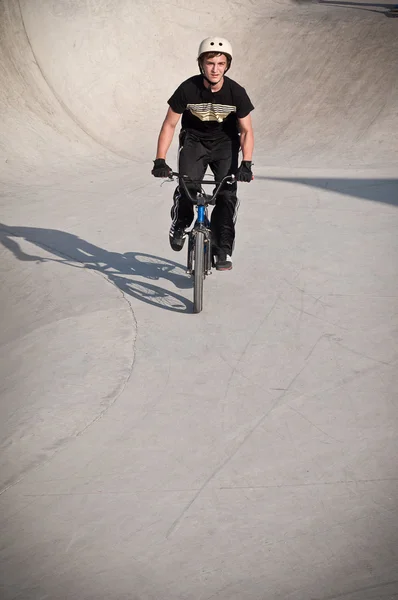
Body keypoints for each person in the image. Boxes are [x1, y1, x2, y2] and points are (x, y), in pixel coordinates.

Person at [151, 37, 254, 271]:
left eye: (220, 63)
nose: (215, 69)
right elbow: (169, 125)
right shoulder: (188, 89)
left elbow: (247, 130)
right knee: (188, 187)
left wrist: (246, 164)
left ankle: (222, 249)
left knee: (227, 196)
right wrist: (159, 159)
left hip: (225, 144)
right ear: (201, 64)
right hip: (194, 141)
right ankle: (180, 223)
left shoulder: (236, 93)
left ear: (227, 65)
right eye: (210, 63)